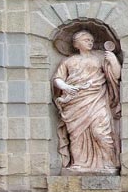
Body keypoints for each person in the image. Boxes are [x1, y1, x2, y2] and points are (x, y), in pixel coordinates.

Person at [52, 30, 121, 174]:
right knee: (76, 134)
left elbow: (116, 75)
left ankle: (108, 162)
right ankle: (78, 163)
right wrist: (65, 86)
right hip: (75, 102)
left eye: (91, 40)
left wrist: (113, 60)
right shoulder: (68, 61)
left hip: (97, 99)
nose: (90, 42)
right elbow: (58, 79)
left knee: (100, 131)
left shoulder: (100, 57)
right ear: (76, 44)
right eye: (86, 40)